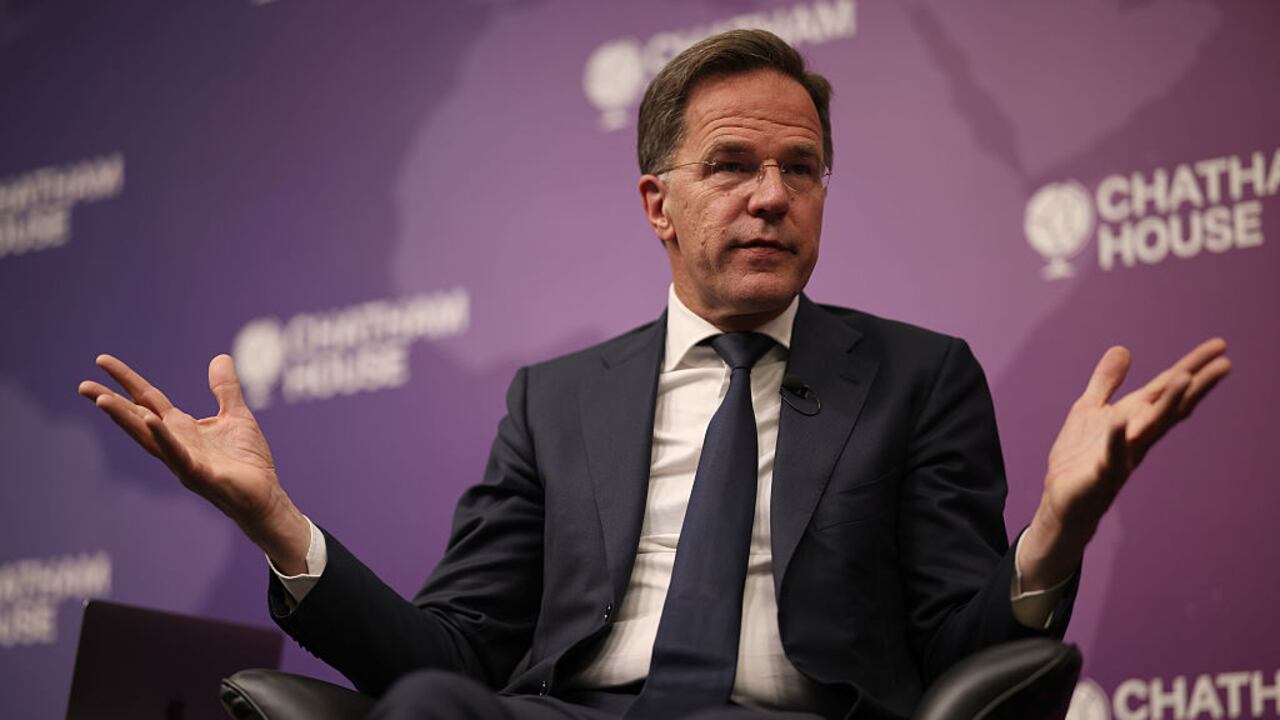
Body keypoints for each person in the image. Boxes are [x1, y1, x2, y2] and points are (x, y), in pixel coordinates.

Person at [79, 30, 1230, 720]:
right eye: (730, 165)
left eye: (800, 168)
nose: (770, 195)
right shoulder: (557, 400)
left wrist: (1053, 536)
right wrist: (279, 524)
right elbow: (451, 652)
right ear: (656, 204)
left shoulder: (915, 378)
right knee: (432, 705)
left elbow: (964, 661)